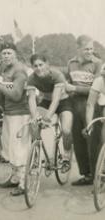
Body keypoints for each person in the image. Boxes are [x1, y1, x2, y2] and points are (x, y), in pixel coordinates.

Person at [0, 42, 31, 196]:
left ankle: (24, 184)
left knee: (19, 148)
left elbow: (17, 95)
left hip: (21, 113)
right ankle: (15, 178)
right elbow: (4, 93)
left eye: (9, 53)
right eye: (3, 53)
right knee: (9, 148)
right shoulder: (7, 69)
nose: (6, 56)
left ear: (15, 54)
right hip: (9, 113)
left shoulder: (19, 70)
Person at [66, 35, 102, 186]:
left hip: (91, 104)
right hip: (74, 104)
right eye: (86, 48)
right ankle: (86, 174)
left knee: (92, 140)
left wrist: (75, 88)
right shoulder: (71, 63)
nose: (89, 52)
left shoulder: (97, 63)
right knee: (78, 140)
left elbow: (97, 88)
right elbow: (68, 81)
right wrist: (67, 87)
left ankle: (97, 175)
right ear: (78, 48)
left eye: (91, 49)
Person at [27, 54, 73, 171]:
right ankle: (36, 153)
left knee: (66, 130)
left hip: (63, 101)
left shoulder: (56, 75)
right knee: (33, 124)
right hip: (46, 101)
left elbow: (56, 99)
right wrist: (34, 116)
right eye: (35, 66)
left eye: (41, 65)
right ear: (32, 67)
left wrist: (48, 116)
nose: (38, 68)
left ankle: (67, 156)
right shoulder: (32, 78)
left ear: (47, 64)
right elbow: (31, 99)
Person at [85, 67, 105, 177]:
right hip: (102, 105)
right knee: (100, 140)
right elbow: (90, 104)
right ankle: (99, 175)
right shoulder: (99, 81)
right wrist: (89, 124)